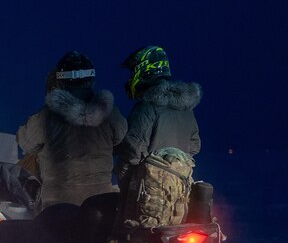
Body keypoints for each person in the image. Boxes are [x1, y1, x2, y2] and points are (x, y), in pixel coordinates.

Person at [17, 51, 127, 210]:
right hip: (101, 206)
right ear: (91, 80)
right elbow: (120, 138)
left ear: (60, 81)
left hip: (59, 207)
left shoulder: (46, 116)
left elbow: (26, 144)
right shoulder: (111, 114)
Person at [114, 46, 201, 190]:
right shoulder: (187, 110)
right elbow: (195, 146)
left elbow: (133, 152)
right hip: (177, 192)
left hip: (147, 195)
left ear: (142, 70)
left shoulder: (146, 108)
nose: (129, 79)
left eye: (131, 73)